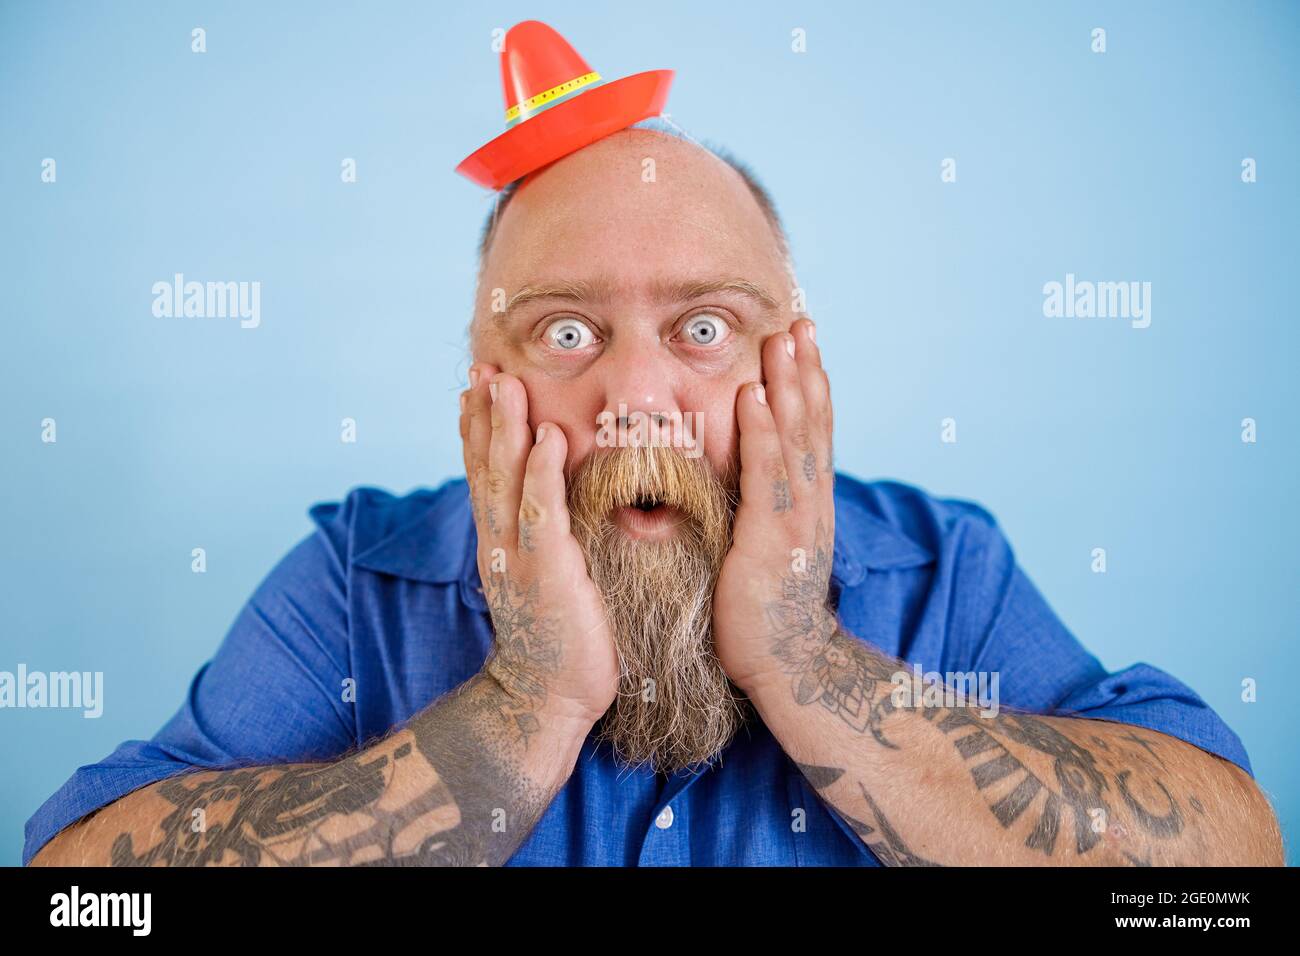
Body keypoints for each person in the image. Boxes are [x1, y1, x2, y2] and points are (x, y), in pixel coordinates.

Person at [25, 119, 1283, 866]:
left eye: (702, 326)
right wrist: (519, 712)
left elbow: (1225, 870)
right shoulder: (360, 579)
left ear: (793, 361)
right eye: (567, 333)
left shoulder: (938, 571)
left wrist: (802, 659)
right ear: (486, 382)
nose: (637, 394)